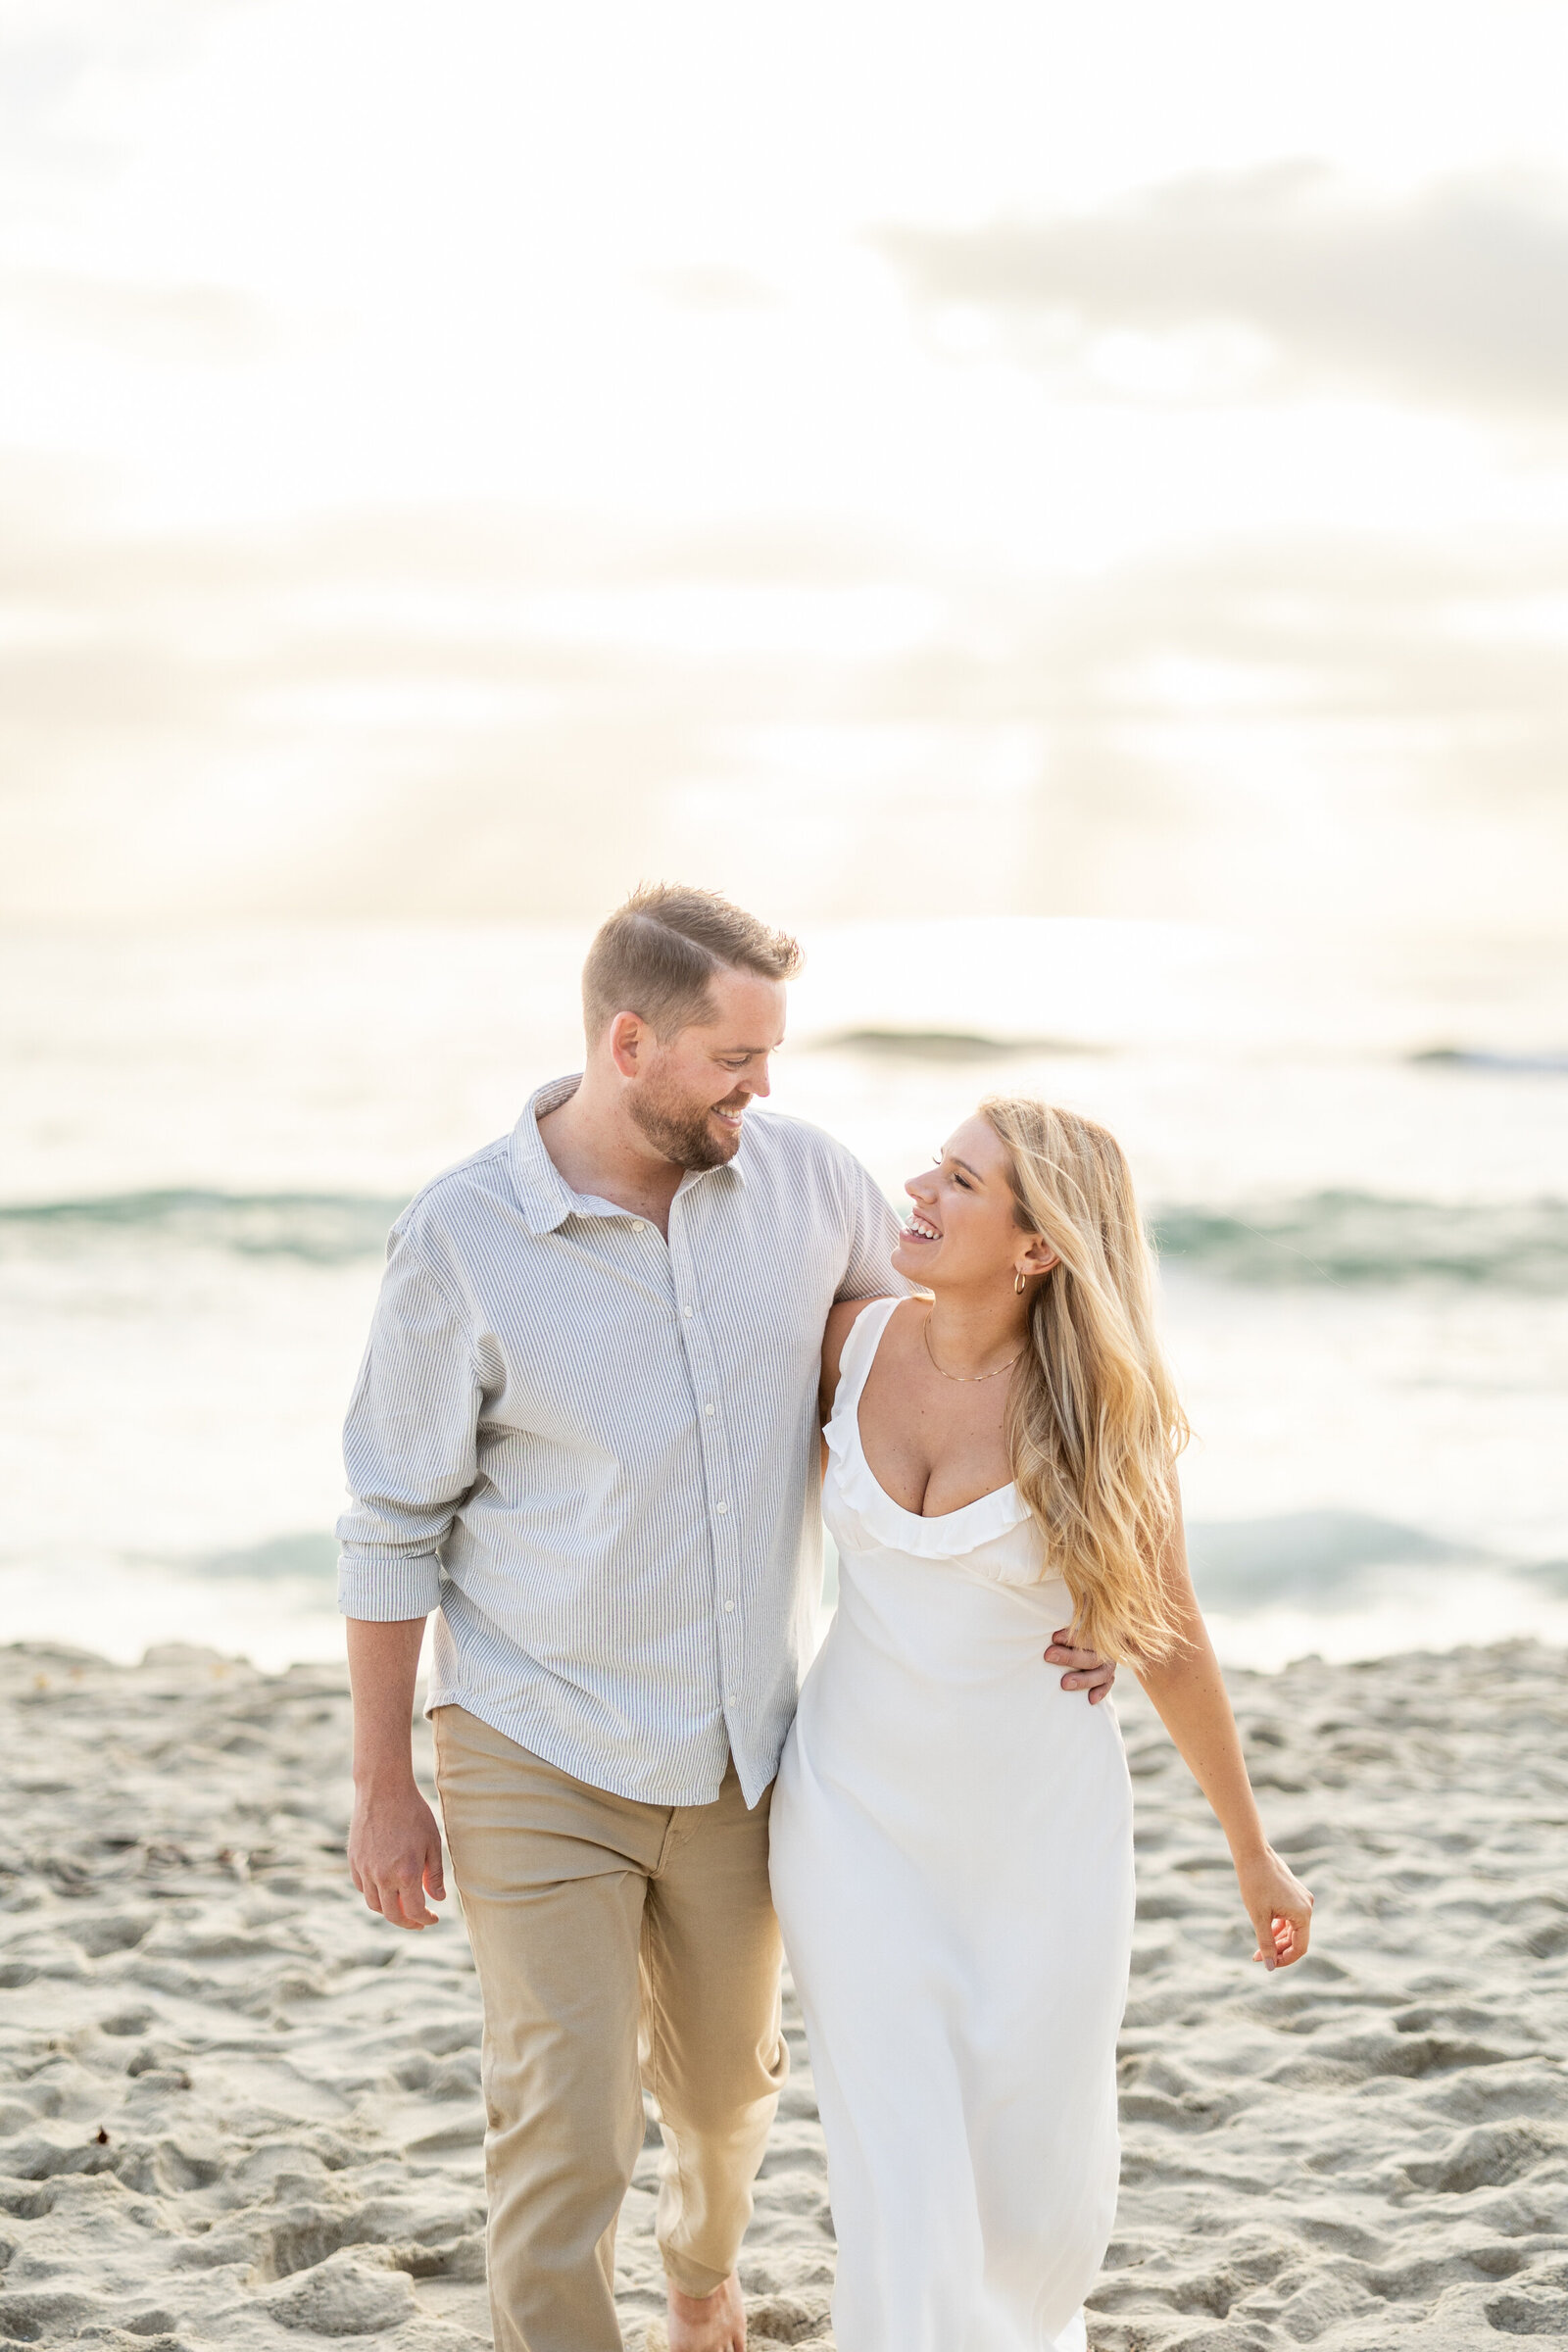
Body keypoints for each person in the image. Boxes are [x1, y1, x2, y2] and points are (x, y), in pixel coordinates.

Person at [336, 885, 1116, 2352]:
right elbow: (391, 1519)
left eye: (771, 1058)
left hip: (747, 1751)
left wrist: (1095, 1588)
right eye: (732, 1061)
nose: (764, 1092)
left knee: (721, 2100)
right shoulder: (460, 1239)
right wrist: (385, 1786)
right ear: (629, 1042)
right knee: (563, 2123)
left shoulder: (811, 1187)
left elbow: (965, 1363)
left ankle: (704, 2280)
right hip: (531, 1735)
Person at [769, 1096, 1314, 2352]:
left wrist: (1249, 1848)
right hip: (849, 1810)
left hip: (1037, 1832)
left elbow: (1168, 1635)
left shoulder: (1099, 1414)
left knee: (1028, 2182)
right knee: (895, 2147)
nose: (917, 1186)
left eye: (958, 1181)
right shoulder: (845, 1345)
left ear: (1035, 1247)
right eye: (937, 1162)